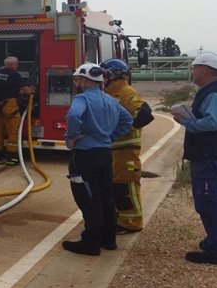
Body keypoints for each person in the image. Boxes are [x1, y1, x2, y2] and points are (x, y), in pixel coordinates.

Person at [62, 63, 133, 256]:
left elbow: (74, 115)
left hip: (85, 155)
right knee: (105, 196)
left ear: (84, 81)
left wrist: (72, 136)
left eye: (77, 79)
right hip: (104, 154)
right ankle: (109, 240)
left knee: (88, 197)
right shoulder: (110, 100)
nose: (75, 82)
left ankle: (90, 242)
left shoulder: (82, 99)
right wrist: (109, 136)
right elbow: (127, 120)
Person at [172, 51, 217, 266]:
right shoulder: (212, 90)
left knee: (209, 201)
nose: (192, 72)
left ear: (204, 70)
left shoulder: (214, 93)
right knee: (211, 200)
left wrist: (187, 122)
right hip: (211, 154)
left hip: (208, 155)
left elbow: (213, 123)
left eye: (194, 68)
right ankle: (214, 241)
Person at [100, 58, 154, 234]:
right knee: (115, 185)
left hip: (126, 150)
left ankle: (132, 222)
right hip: (113, 149)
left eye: (105, 74)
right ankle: (121, 217)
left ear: (113, 75)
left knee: (126, 186)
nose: (103, 78)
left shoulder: (126, 92)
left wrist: (125, 128)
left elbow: (143, 113)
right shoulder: (108, 93)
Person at [0, 56, 34, 165]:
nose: (17, 66)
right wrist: (33, 89)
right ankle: (12, 157)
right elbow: (26, 91)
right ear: (11, 65)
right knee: (13, 132)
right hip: (10, 107)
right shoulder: (15, 75)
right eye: (16, 64)